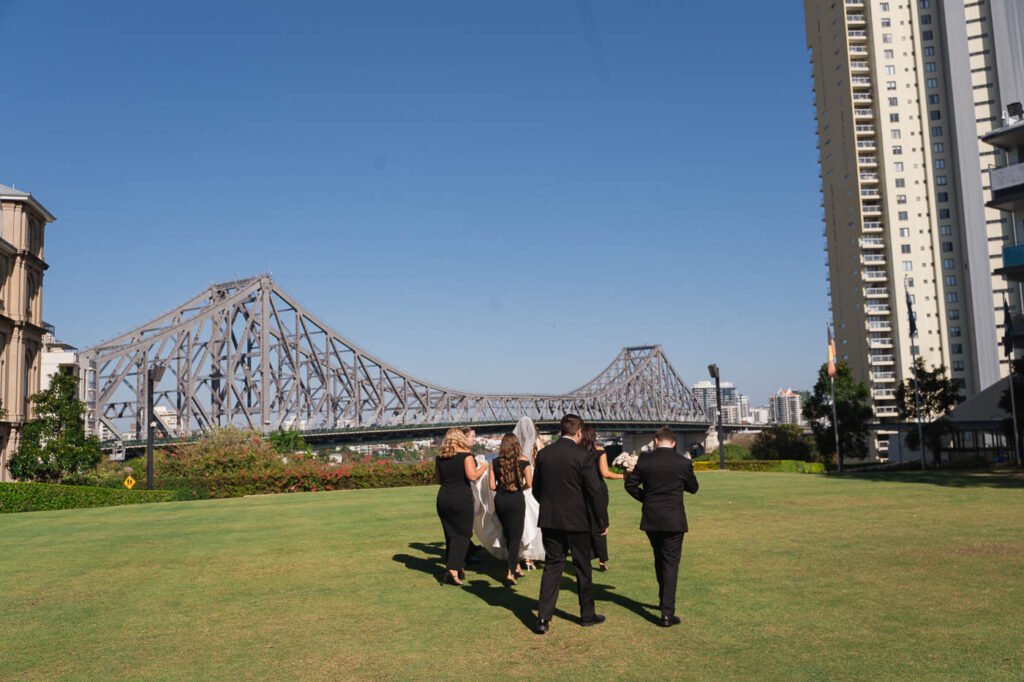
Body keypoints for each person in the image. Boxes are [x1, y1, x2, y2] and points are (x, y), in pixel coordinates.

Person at [532, 414, 608, 634]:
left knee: (552, 567)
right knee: (583, 567)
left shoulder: (544, 455)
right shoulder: (584, 455)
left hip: (550, 520)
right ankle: (587, 615)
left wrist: (549, 507)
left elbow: (537, 489)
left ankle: (543, 618)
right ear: (579, 432)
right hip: (578, 521)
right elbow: (595, 490)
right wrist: (601, 520)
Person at [624, 426, 699, 627]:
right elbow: (694, 488)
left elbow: (630, 486)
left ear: (656, 441)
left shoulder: (645, 460)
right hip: (674, 520)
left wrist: (647, 500)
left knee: (660, 560)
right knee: (671, 564)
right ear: (673, 442)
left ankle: (663, 601)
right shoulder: (683, 463)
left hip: (652, 519)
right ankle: (667, 612)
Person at [435, 427, 488, 585]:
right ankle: (453, 567)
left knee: (450, 534)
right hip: (461, 498)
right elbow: (472, 476)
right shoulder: (466, 455)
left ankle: (458, 568)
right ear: (460, 438)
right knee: (464, 534)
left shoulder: (440, 458)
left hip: (443, 497)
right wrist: (484, 466)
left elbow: (438, 480)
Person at [488, 432, 533, 586]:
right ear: (516, 446)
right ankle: (511, 572)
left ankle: (517, 566)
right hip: (516, 500)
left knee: (508, 535)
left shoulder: (494, 462)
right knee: (515, 538)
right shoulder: (524, 461)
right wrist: (521, 487)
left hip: (501, 500)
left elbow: (492, 486)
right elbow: (530, 483)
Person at [581, 424, 622, 572]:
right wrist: (623, 475)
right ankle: (602, 560)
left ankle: (585, 556)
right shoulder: (599, 451)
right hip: (598, 490)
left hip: (580, 491)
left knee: (584, 524)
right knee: (600, 524)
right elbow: (605, 473)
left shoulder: (576, 452)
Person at [512, 416, 546, 569]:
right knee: (535, 520)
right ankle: (530, 557)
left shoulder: (515, 446)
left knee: (523, 521)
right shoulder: (539, 444)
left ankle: (522, 555)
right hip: (535, 484)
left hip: (520, 485)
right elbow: (545, 465)